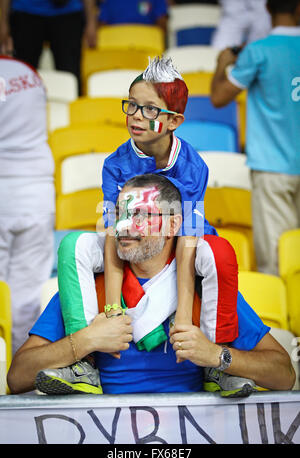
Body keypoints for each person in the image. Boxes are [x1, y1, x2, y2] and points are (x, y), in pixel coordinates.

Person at [7, 174, 296, 396]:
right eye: (119, 214)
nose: (123, 226)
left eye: (140, 215)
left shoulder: (203, 285)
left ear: (173, 225)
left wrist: (217, 355)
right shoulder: (89, 287)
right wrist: (85, 341)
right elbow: (17, 376)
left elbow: (284, 374)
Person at [55, 56, 242, 394]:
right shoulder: (116, 163)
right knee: (73, 246)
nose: (136, 116)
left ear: (174, 121)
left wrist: (183, 315)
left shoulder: (192, 166)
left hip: (178, 242)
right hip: (131, 240)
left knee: (221, 254)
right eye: (132, 106)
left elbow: (188, 236)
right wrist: (112, 308)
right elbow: (114, 230)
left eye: (150, 110)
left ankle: (216, 364)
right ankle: (83, 364)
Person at [210, 0, 300, 276]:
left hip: (271, 167)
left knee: (276, 262)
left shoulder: (258, 52)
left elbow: (218, 97)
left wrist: (221, 64)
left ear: (268, 10)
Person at [0, 54, 55, 354]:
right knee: (28, 293)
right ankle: (21, 376)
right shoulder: (29, 73)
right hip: (37, 190)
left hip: (5, 188)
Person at [0, 0, 98, 95]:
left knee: (70, 75)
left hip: (69, 14)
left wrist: (91, 21)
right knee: (22, 76)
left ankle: (75, 109)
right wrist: (3, 22)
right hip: (25, 13)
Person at [98, 0, 169, 34]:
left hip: (147, 49)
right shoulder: (109, 1)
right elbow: (102, 28)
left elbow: (162, 27)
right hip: (116, 50)